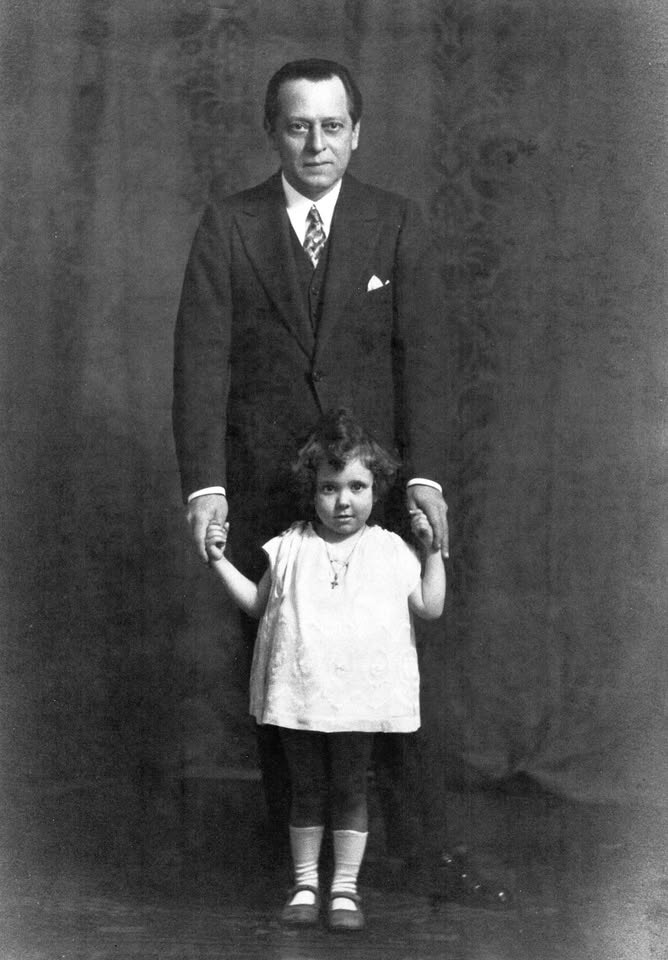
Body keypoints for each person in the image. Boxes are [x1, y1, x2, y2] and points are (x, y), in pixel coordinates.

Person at [173, 57, 509, 906]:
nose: (315, 143)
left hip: (372, 494)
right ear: (273, 132)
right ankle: (292, 865)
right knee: (281, 675)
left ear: (356, 133)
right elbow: (199, 365)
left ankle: (420, 854)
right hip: (267, 489)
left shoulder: (397, 223)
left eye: (332, 126)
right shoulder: (229, 225)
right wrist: (206, 487)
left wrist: (424, 479)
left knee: (389, 674)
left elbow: (426, 362)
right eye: (298, 126)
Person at [204, 410, 447, 931]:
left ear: (376, 489)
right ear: (311, 491)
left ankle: (345, 889)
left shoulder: (389, 549)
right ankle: (305, 883)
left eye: (357, 487)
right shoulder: (291, 546)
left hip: (358, 697)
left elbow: (430, 606)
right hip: (302, 692)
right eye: (329, 488)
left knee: (351, 788)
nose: (343, 501)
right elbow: (257, 604)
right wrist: (219, 561)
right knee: (307, 788)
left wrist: (432, 552)